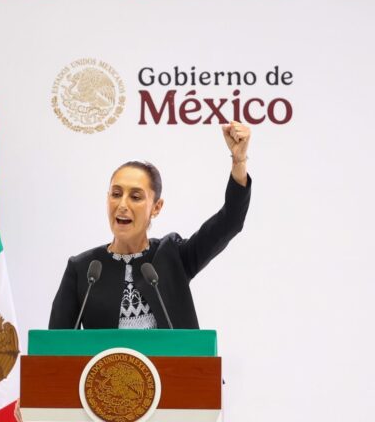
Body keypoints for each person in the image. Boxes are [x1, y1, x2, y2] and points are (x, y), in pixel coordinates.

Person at [48, 121, 252, 329]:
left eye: (135, 197)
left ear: (156, 207)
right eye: (116, 194)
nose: (122, 205)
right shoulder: (83, 269)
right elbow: (55, 344)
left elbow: (230, 221)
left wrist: (239, 161)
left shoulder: (172, 255)